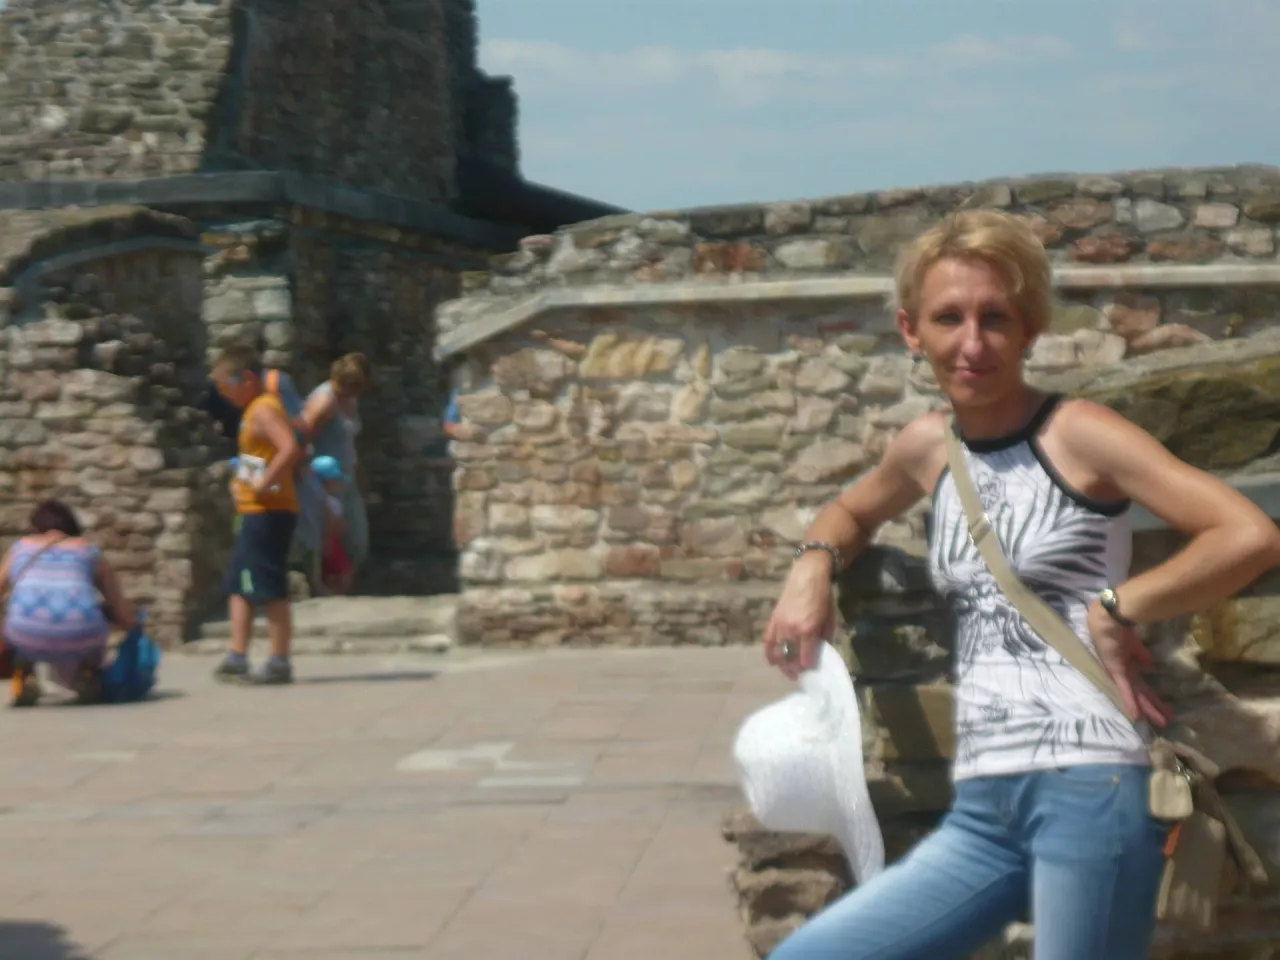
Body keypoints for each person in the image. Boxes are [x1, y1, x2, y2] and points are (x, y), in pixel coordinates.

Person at [763, 209, 1280, 960]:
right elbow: (850, 510)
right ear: (912, 331)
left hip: (1091, 784)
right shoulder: (926, 448)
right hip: (985, 806)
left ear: (1030, 329)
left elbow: (1247, 532)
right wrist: (811, 567)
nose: (972, 343)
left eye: (996, 319)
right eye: (949, 318)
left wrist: (1121, 605)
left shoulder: (1078, 433)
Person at [211, 344, 303, 685]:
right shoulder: (252, 410)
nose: (224, 394)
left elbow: (289, 447)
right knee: (239, 584)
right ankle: (237, 655)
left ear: (247, 379)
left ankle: (279, 660)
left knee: (269, 585)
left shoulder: (264, 408)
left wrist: (265, 483)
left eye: (226, 386)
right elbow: (262, 455)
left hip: (269, 512)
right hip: (253, 511)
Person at [1, 500, 136, 707]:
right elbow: (118, 604)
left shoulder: (20, 548)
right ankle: (86, 674)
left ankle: (25, 675)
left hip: (24, 633)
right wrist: (132, 627)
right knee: (98, 612)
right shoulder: (88, 551)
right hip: (82, 634)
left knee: (14, 617)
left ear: (35, 527)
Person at [300, 353, 371, 577]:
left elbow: (349, 442)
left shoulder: (351, 399)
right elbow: (302, 440)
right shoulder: (324, 402)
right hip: (326, 483)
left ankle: (343, 588)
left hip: (347, 480)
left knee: (357, 543)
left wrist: (359, 474)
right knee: (332, 545)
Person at [310, 455, 354, 596]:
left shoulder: (310, 501)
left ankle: (330, 593)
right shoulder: (333, 503)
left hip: (316, 541)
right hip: (332, 542)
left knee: (327, 572)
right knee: (343, 573)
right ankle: (337, 595)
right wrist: (329, 539)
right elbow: (338, 525)